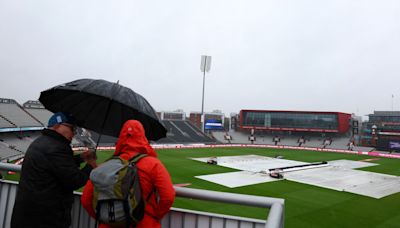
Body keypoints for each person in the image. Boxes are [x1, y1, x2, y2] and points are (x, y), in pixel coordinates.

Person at [81, 120, 175, 228]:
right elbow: (168, 196)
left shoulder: (105, 165)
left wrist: (104, 218)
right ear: (142, 137)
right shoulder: (153, 164)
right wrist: (156, 215)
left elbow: (85, 200)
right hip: (144, 223)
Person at [11, 112, 97, 228]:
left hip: (30, 214)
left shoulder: (43, 142)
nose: (74, 133)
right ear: (58, 125)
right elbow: (75, 180)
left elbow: (58, 165)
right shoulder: (56, 147)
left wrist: (81, 158)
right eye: (72, 128)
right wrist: (91, 165)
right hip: (45, 218)